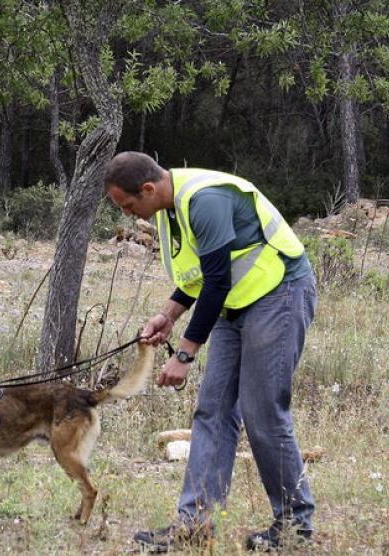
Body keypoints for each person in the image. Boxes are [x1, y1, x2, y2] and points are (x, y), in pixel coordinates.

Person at [104, 152, 318, 552]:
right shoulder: (169, 209)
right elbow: (199, 275)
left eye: (130, 206)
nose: (133, 216)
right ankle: (195, 524)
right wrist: (166, 315)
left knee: (262, 411)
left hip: (279, 294)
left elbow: (216, 280)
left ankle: (295, 527)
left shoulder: (205, 200)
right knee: (213, 409)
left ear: (148, 189)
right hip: (234, 302)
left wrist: (183, 355)